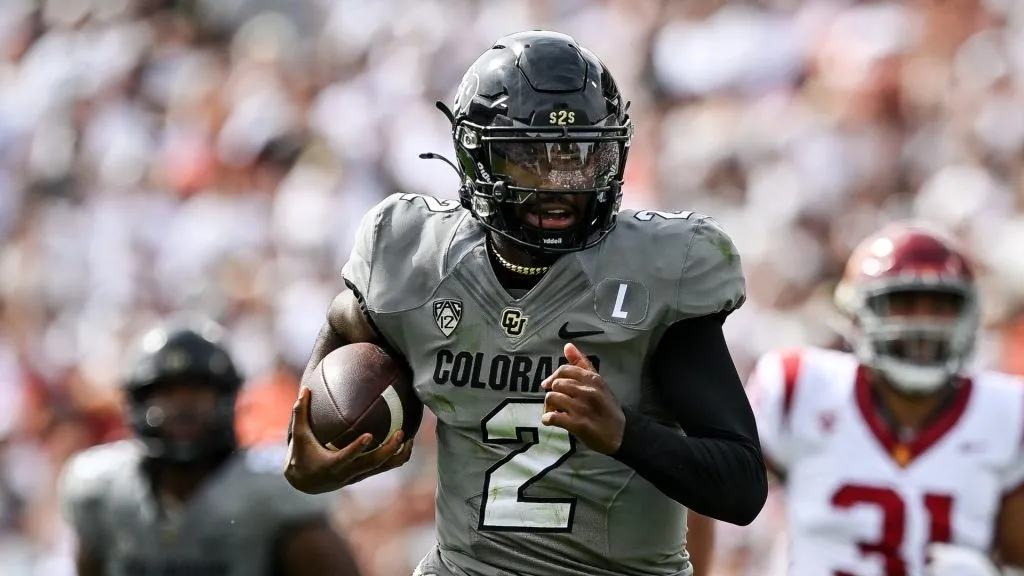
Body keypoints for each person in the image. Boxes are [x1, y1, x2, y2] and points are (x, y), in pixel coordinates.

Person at [284, 30, 767, 576]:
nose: (561, 185)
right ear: (477, 155)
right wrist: (306, 440)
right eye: (530, 160)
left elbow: (741, 486)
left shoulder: (657, 273)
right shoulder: (415, 258)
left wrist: (625, 434)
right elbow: (344, 321)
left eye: (582, 157)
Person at [747, 223, 1024, 576]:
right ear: (856, 314)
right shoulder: (799, 387)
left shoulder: (1007, 412)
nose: (922, 324)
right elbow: (710, 494)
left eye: (940, 306)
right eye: (904, 303)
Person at [59, 317, 362, 576]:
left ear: (228, 399)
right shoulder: (101, 491)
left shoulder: (272, 491)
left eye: (198, 393)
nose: (182, 410)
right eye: (166, 395)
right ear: (137, 403)